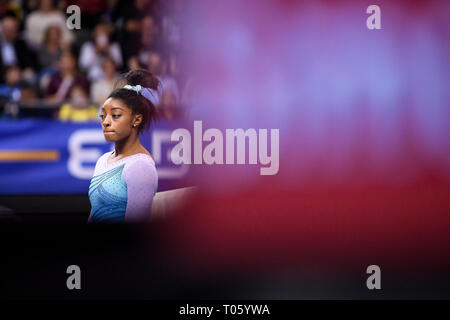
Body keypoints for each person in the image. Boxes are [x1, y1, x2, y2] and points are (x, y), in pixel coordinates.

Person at [88, 70, 159, 223]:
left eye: (115, 115)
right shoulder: (103, 160)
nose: (106, 122)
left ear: (137, 119)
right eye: (103, 115)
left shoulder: (140, 166)